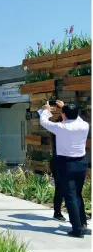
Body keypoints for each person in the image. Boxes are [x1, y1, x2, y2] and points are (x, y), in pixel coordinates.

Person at [39, 100, 89, 238]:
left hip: (66, 164)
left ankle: (77, 229)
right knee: (78, 194)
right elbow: (76, 116)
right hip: (81, 163)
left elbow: (44, 121)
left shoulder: (61, 127)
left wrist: (46, 109)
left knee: (70, 196)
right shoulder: (84, 125)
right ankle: (83, 223)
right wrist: (65, 106)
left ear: (64, 115)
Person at [50, 115, 66, 222]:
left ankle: (58, 211)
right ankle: (57, 212)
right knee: (60, 188)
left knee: (65, 188)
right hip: (59, 162)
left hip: (59, 162)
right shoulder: (60, 132)